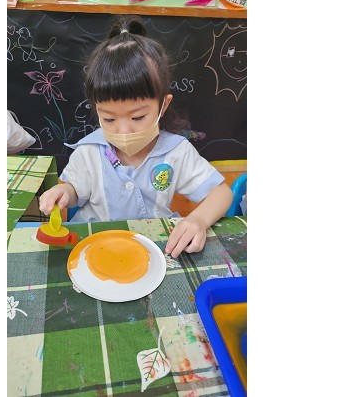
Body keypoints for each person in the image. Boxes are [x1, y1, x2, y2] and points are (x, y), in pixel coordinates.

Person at [39, 16, 233, 258]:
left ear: (163, 105)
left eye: (138, 117)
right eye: (109, 119)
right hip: (94, 246)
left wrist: (198, 220)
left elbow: (222, 193)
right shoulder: (89, 151)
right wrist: (64, 193)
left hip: (153, 248)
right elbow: (74, 190)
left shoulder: (176, 152)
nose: (123, 131)